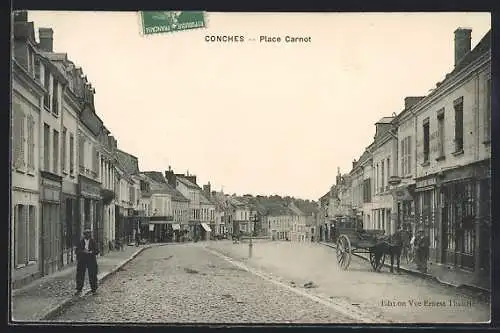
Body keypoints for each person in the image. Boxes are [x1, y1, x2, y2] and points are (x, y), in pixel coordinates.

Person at [75, 229, 99, 295]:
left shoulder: (93, 242)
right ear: (84, 235)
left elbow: (97, 251)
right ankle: (79, 289)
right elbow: (76, 251)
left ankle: (94, 289)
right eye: (86, 234)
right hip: (82, 260)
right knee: (80, 274)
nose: (88, 235)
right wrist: (83, 251)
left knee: (93, 274)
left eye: (89, 234)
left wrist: (91, 252)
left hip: (91, 259)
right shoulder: (80, 242)